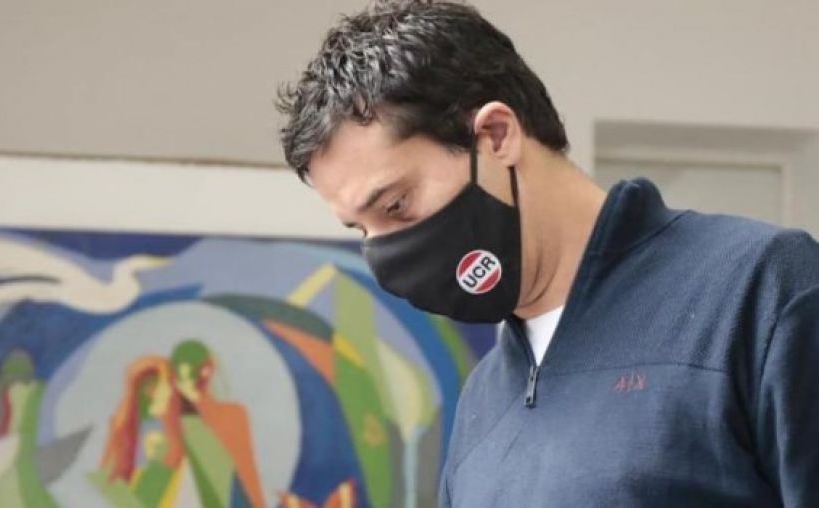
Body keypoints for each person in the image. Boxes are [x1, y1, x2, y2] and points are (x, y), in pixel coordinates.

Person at [275, 0, 819, 506]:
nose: (387, 253)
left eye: (396, 206)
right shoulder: (484, 399)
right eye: (362, 230)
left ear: (496, 135)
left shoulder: (762, 290)